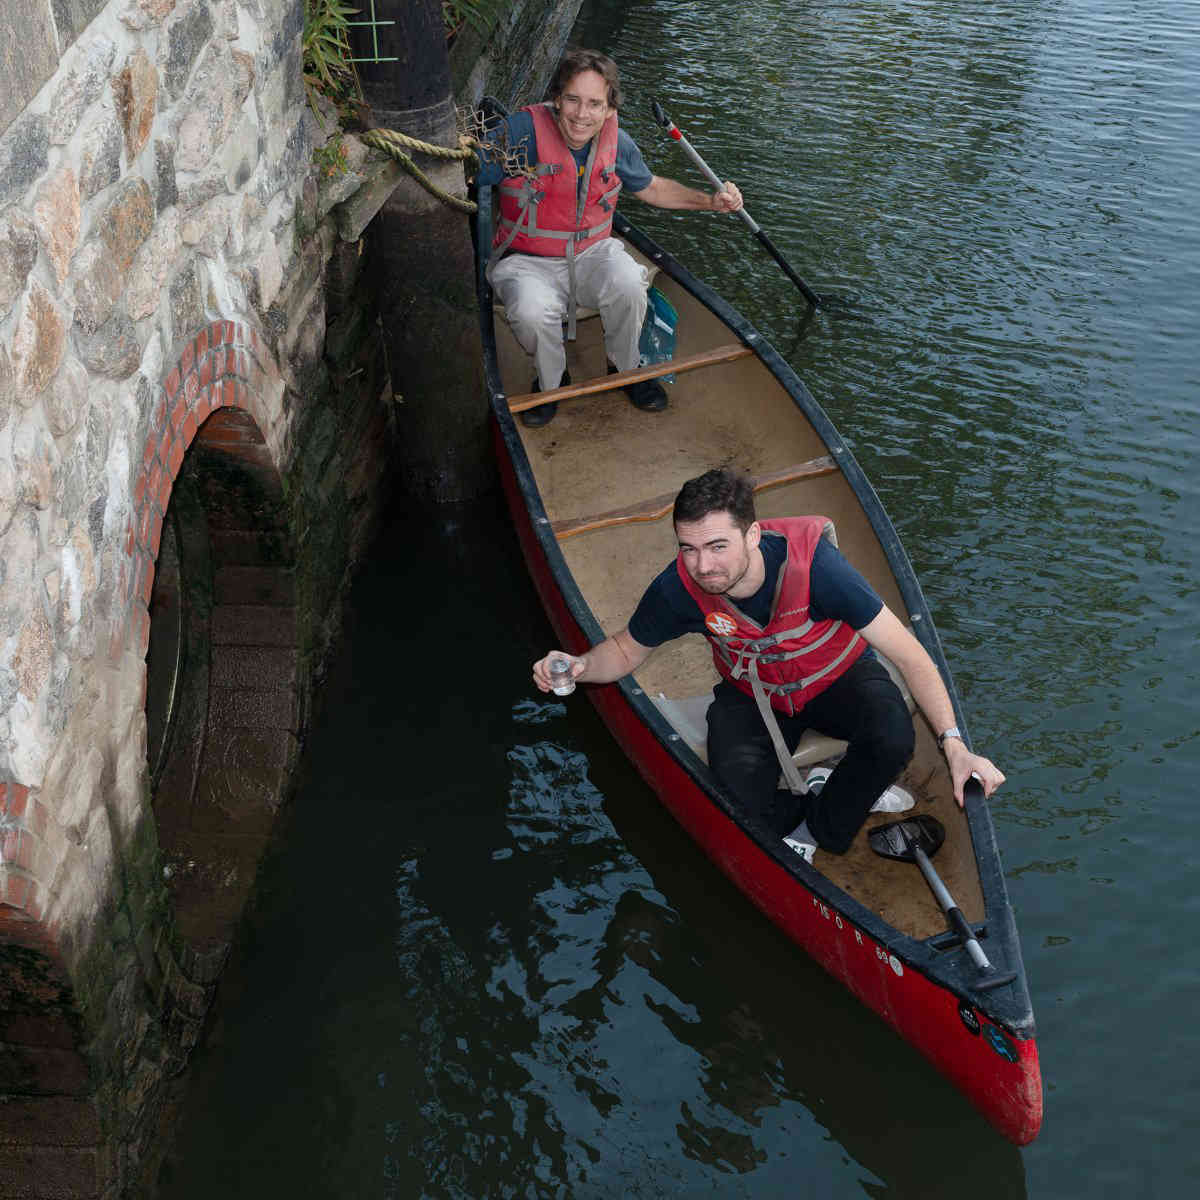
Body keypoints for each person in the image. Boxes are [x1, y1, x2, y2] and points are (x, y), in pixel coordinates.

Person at [531, 468, 1005, 864]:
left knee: (894, 735)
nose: (703, 565)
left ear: (753, 534)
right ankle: (817, 805)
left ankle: (829, 812)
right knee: (735, 791)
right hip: (754, 695)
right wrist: (578, 666)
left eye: (718, 546)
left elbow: (909, 655)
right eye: (688, 548)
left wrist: (955, 746)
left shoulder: (818, 567)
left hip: (838, 679)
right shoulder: (677, 588)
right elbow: (625, 650)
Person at [475, 49, 743, 427]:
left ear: (608, 108)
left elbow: (652, 189)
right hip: (526, 259)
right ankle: (551, 382)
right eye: (573, 100)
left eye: (594, 104)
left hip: (592, 252)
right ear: (556, 98)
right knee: (531, 311)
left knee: (631, 282)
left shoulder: (618, 142)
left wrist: (710, 202)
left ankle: (625, 370)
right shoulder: (521, 131)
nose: (582, 115)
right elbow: (472, 172)